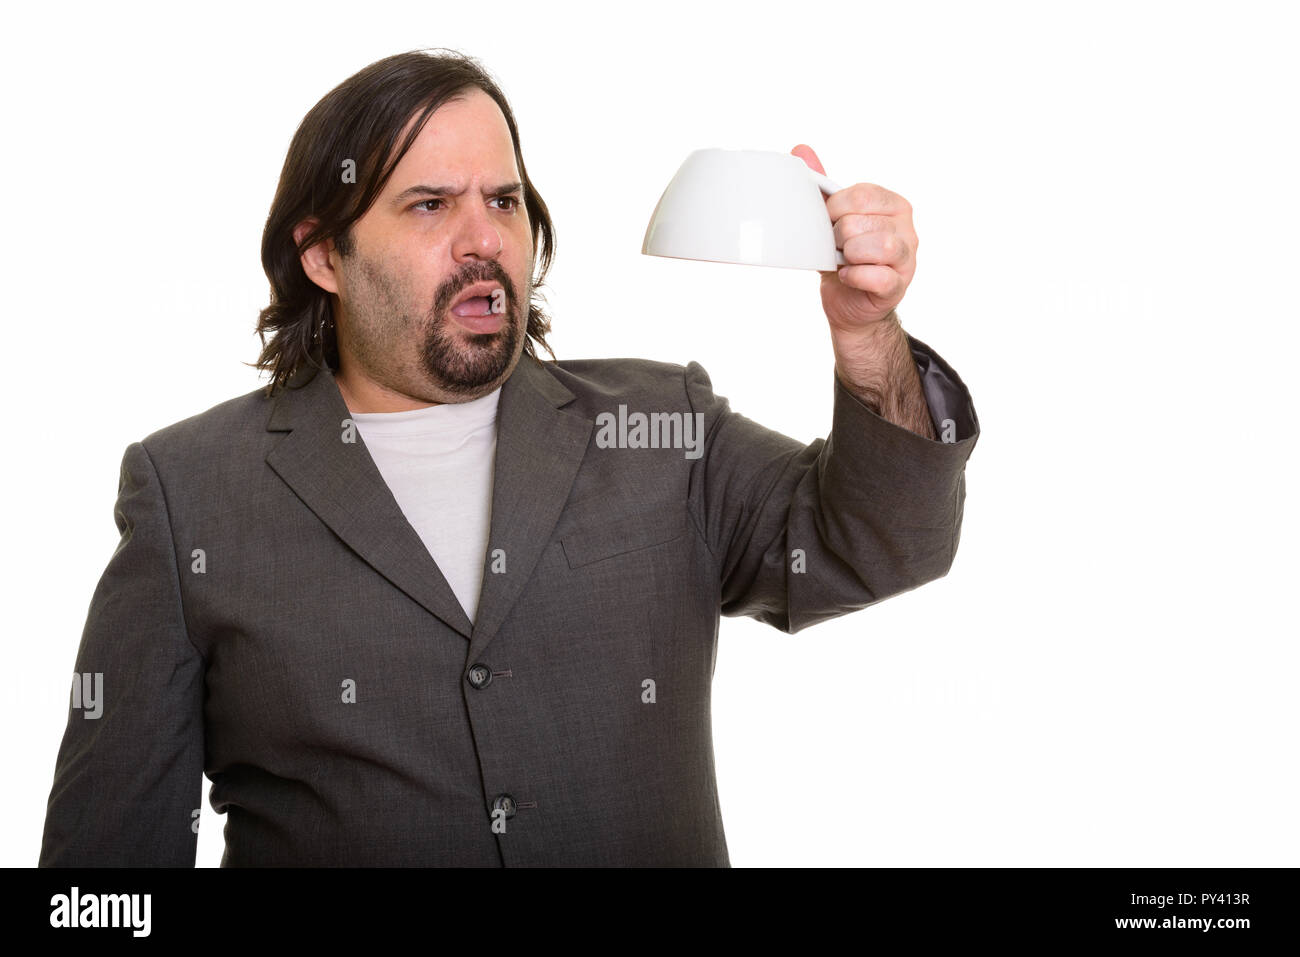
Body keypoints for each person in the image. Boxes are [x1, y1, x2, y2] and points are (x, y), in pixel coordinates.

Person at [39, 48, 980, 867]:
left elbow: (878, 545)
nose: (485, 237)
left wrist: (869, 336)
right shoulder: (190, 494)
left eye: (503, 199)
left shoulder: (663, 428)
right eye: (429, 204)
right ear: (324, 254)